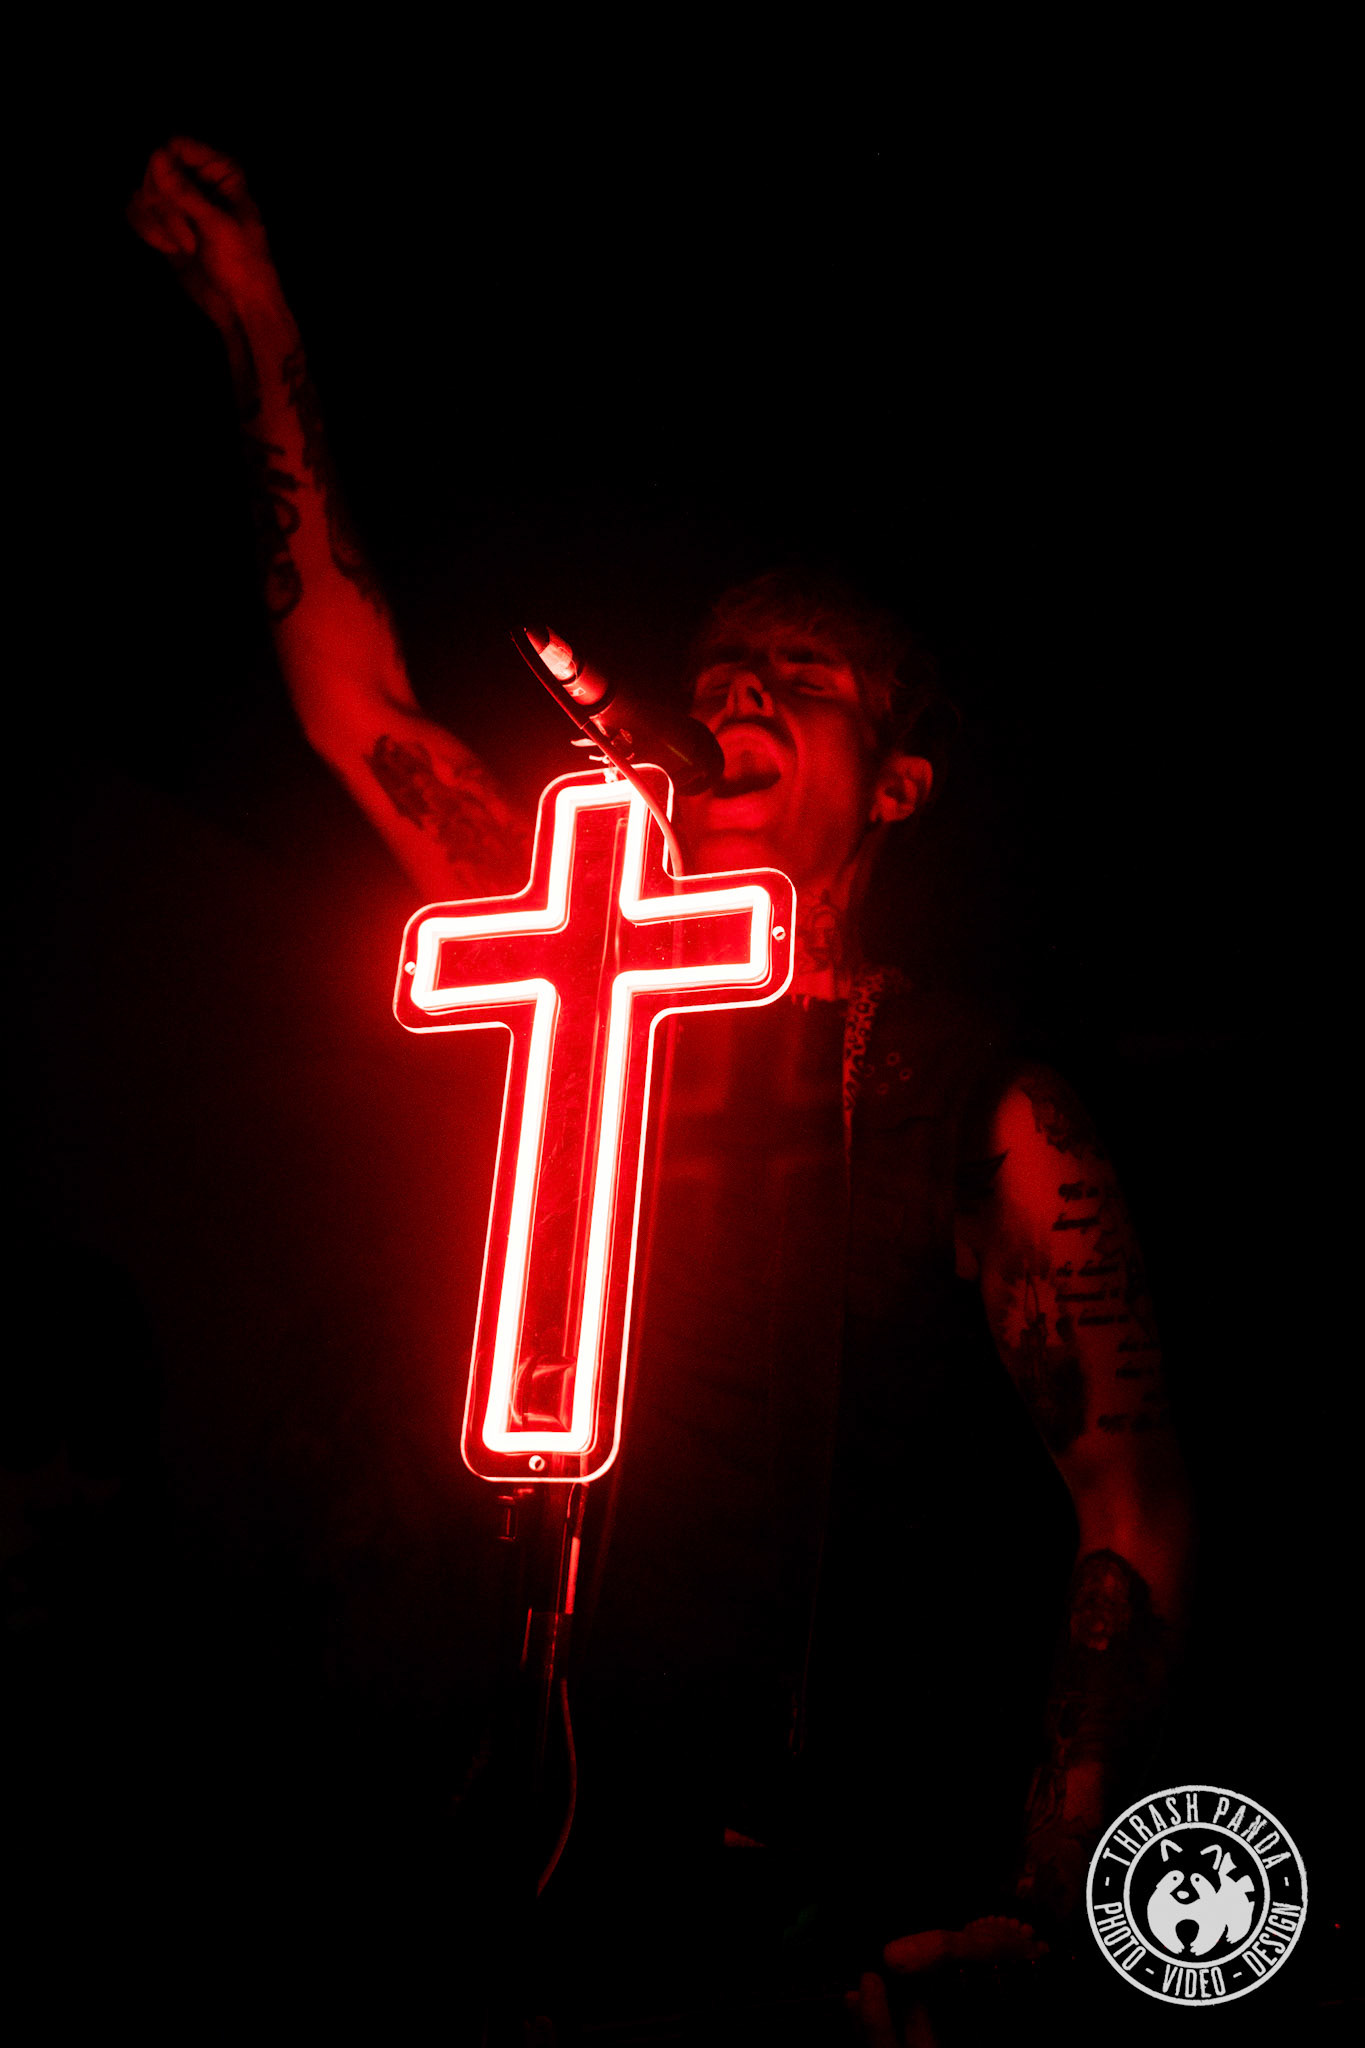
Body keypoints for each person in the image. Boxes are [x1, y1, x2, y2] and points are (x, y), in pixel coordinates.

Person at [128, 137, 1195, 2043]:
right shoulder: (583, 960)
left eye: (803, 676)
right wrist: (254, 317)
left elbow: (1129, 1499)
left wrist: (1054, 1907)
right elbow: (356, 705)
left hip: (816, 1909)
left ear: (896, 788)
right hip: (510, 1856)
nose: (737, 695)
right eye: (718, 670)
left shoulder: (969, 1102)